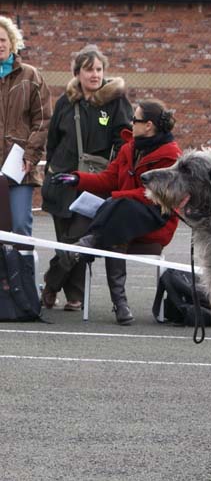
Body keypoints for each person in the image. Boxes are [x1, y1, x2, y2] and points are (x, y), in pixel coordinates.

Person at [50, 99, 182, 325]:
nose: (131, 123)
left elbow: (155, 195)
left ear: (148, 125)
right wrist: (77, 178)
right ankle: (120, 304)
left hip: (156, 219)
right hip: (122, 220)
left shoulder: (171, 156)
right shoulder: (128, 148)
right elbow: (109, 179)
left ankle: (84, 249)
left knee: (119, 209)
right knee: (117, 223)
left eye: (135, 120)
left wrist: (119, 197)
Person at [41, 44, 133, 311]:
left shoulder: (116, 102)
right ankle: (73, 297)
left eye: (99, 69)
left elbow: (125, 140)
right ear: (77, 72)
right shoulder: (66, 102)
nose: (95, 75)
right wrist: (50, 171)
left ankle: (50, 284)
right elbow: (53, 140)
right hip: (61, 180)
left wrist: (113, 171)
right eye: (89, 69)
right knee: (64, 239)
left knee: (78, 239)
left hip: (93, 182)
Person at [0, 16, 51, 235]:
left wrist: (31, 155)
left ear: (12, 42)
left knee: (20, 224)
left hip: (19, 166)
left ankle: (24, 269)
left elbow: (43, 120)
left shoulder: (31, 76)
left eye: (2, 40)